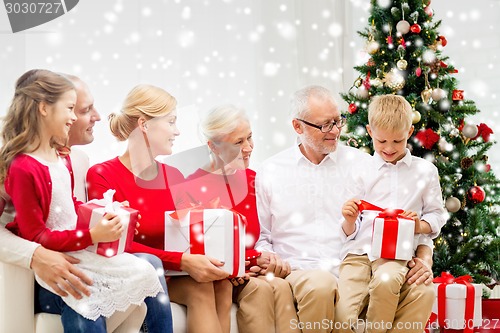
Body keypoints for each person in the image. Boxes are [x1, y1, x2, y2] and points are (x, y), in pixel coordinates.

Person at [255, 85, 436, 333]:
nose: (336, 131)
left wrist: (425, 257)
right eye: (325, 125)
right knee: (321, 285)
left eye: (338, 121)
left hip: (360, 266)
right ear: (298, 127)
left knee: (423, 291)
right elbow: (262, 238)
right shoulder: (271, 171)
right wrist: (269, 258)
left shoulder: (364, 164)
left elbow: (407, 214)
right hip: (302, 270)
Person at [0, 69, 162, 332]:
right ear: (44, 109)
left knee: (147, 271)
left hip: (73, 252)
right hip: (40, 271)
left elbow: (70, 207)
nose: (94, 116)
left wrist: (108, 212)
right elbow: (38, 231)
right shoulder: (18, 165)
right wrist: (38, 254)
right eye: (76, 108)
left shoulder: (68, 159)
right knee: (83, 293)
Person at [86, 84, 233, 333]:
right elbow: (117, 244)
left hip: (172, 272)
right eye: (171, 122)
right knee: (201, 290)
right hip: (135, 275)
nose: (177, 131)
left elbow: (191, 232)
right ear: (144, 124)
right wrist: (183, 261)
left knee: (222, 283)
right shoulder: (102, 175)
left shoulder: (173, 175)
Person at [183, 104, 299, 333]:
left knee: (282, 287)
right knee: (260, 290)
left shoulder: (254, 180)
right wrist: (252, 260)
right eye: (238, 142)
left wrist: (267, 260)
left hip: (251, 271)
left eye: (250, 138)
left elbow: (268, 232)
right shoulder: (191, 186)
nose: (248, 148)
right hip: (218, 278)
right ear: (213, 146)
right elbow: (198, 248)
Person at [337, 94, 445, 332]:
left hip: (395, 253)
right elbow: (347, 231)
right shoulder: (359, 169)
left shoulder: (425, 171)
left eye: (397, 141)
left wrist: (420, 226)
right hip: (358, 253)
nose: (389, 148)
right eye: (381, 140)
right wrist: (349, 219)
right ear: (369, 131)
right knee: (343, 315)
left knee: (386, 282)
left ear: (410, 131)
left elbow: (437, 215)